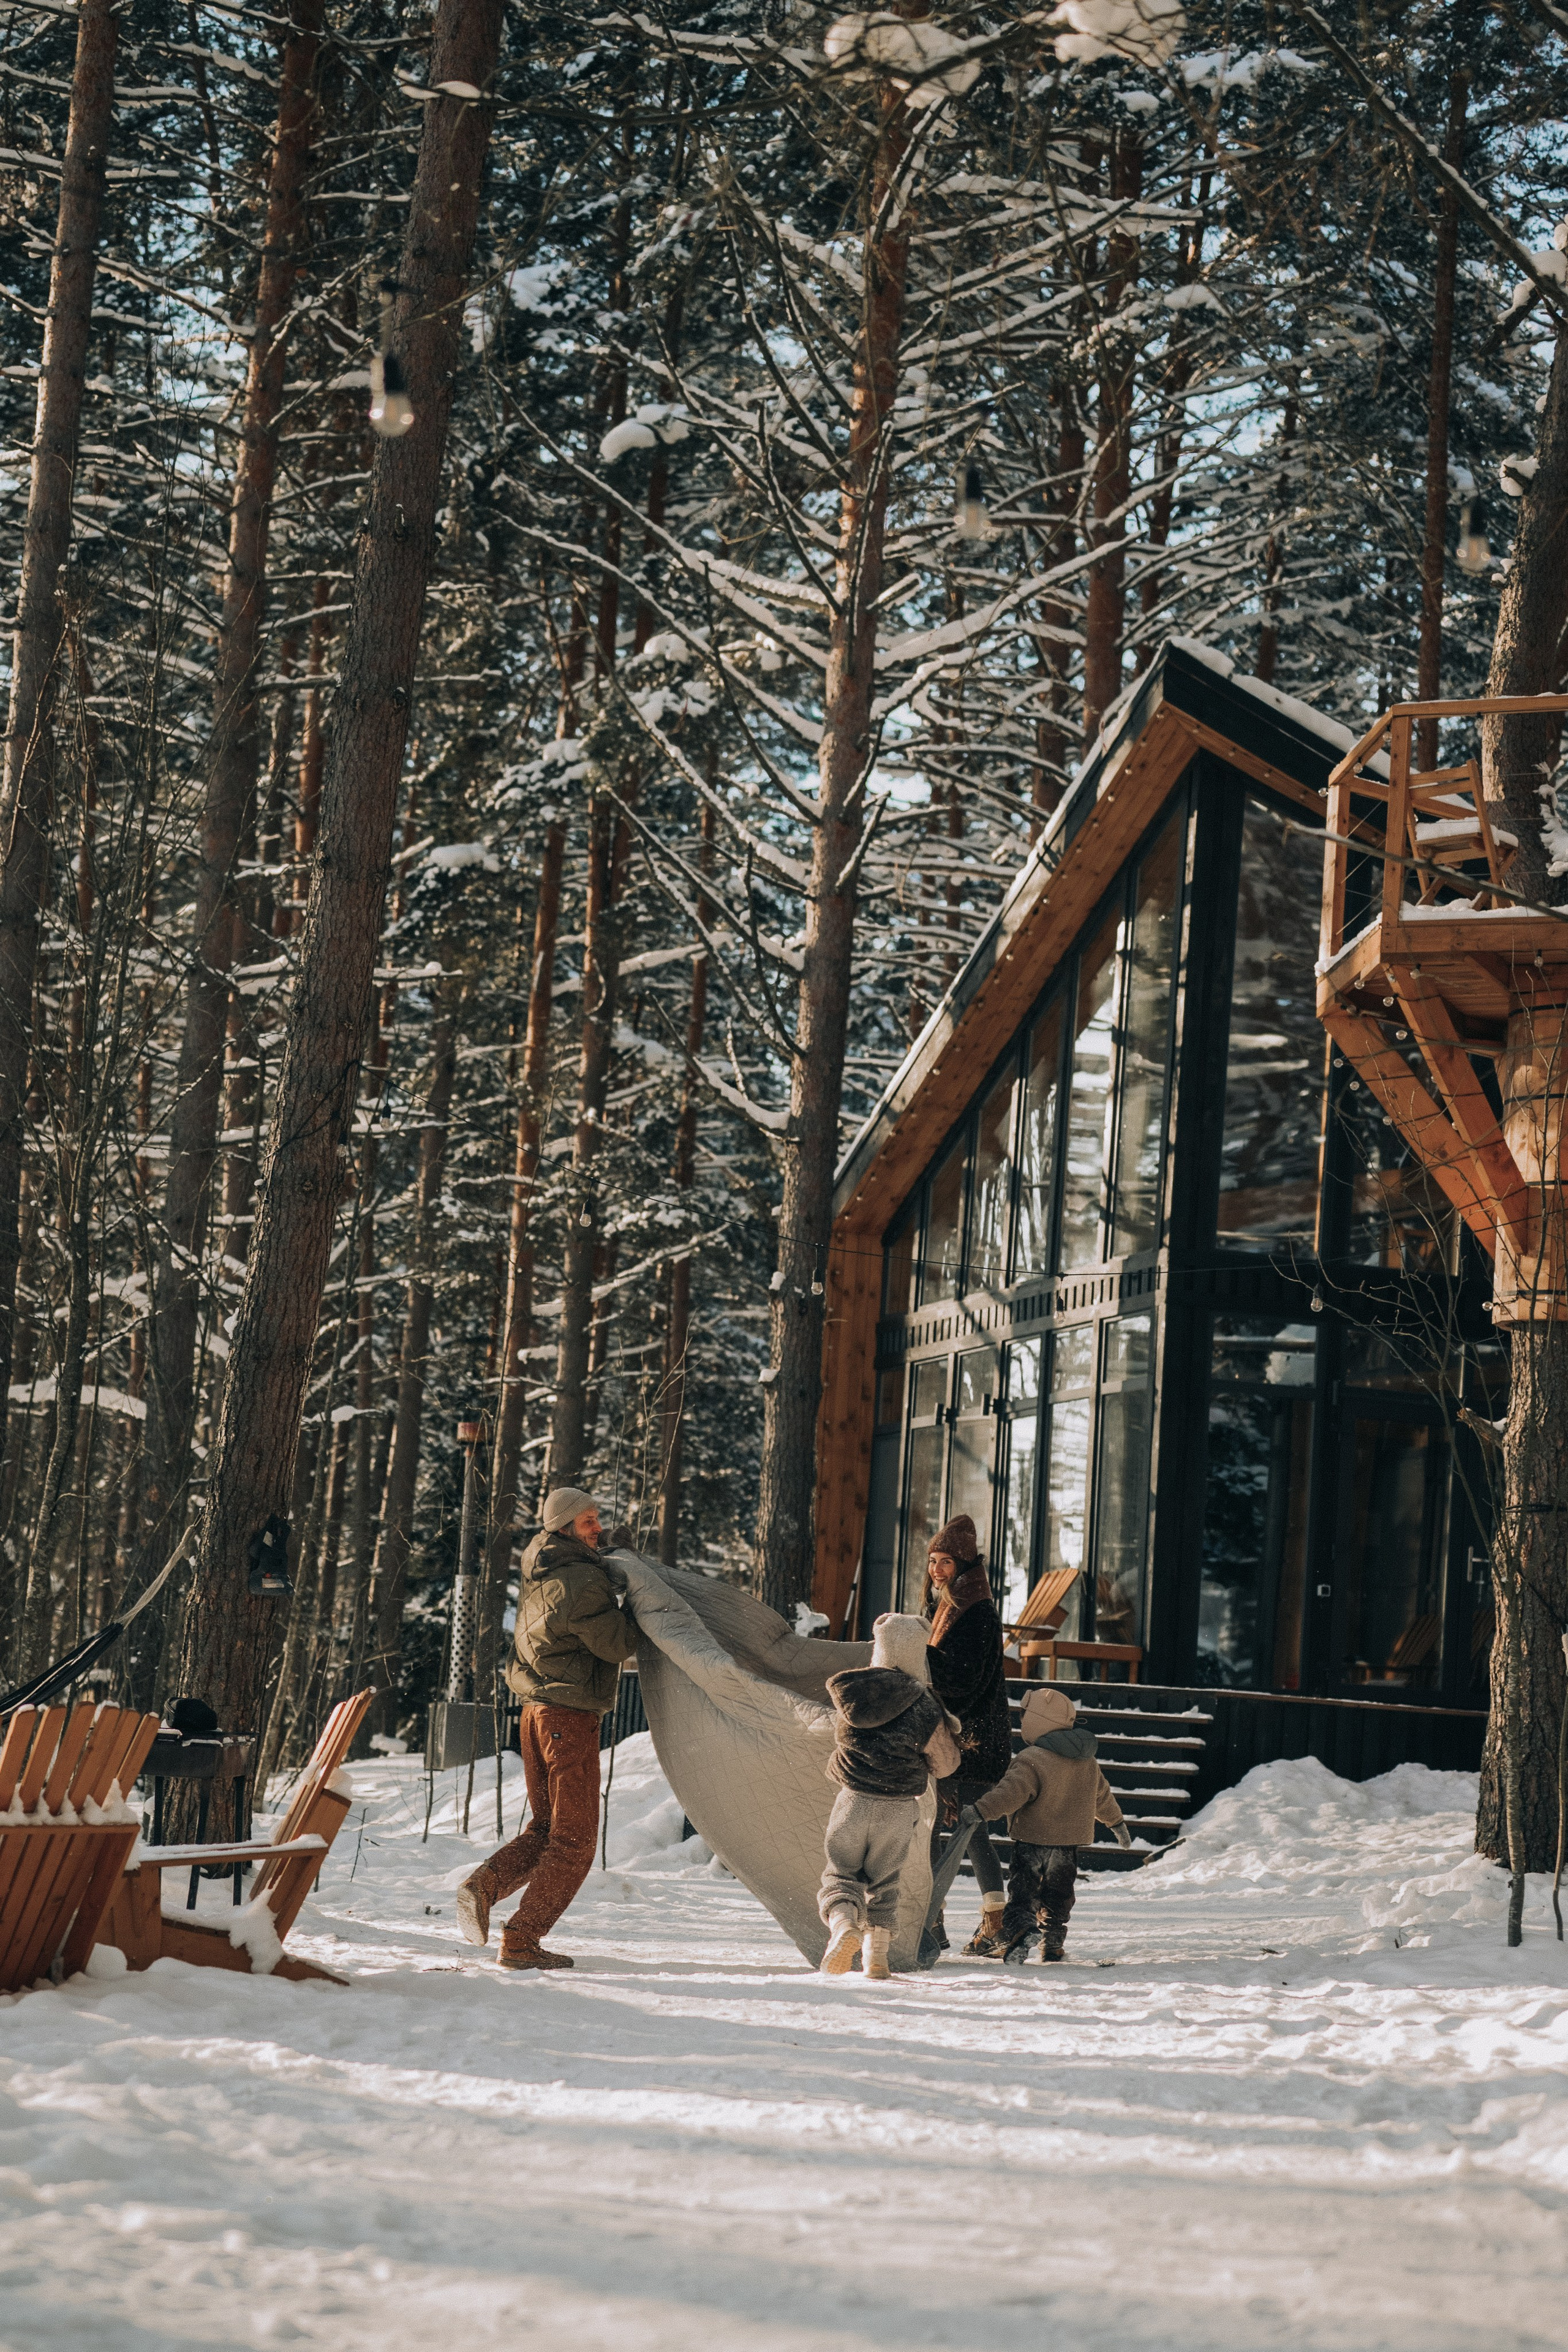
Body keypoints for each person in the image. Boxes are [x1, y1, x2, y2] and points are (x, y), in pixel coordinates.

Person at [456, 1487, 638, 1970]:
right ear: (563, 1528)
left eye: (598, 1518)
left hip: (535, 1714)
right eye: (587, 1522)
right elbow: (618, 1643)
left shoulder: (543, 1568)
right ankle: (520, 1941)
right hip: (568, 1718)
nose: (597, 1527)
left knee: (546, 1829)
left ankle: (484, 1887)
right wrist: (639, 1592)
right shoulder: (580, 1580)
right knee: (575, 1841)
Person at [817, 1613, 960, 1980]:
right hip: (898, 1809)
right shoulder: (926, 1707)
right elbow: (944, 1765)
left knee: (841, 1875)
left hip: (852, 1801)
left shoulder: (854, 1695)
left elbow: (843, 1747)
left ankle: (843, 1925)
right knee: (885, 1885)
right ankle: (876, 1959)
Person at [967, 1684, 1131, 1961]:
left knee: (1023, 1894)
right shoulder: (1087, 1762)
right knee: (1059, 1895)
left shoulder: (1032, 1759)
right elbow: (1101, 1796)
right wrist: (1116, 1823)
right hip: (1067, 1846)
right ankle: (1053, 1942)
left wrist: (980, 1810)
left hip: (1032, 1842)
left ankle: (1023, 1931)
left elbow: (1010, 1794)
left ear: (1037, 1722)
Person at [922, 1515, 1014, 1956]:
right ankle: (985, 1925)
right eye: (932, 1561)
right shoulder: (949, 1606)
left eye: (944, 1561)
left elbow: (963, 1679)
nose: (936, 1569)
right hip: (963, 1740)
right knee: (962, 1832)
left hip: (973, 1742)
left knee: (954, 1830)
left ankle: (932, 1923)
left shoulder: (976, 1613)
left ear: (962, 1563)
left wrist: (917, 1654)